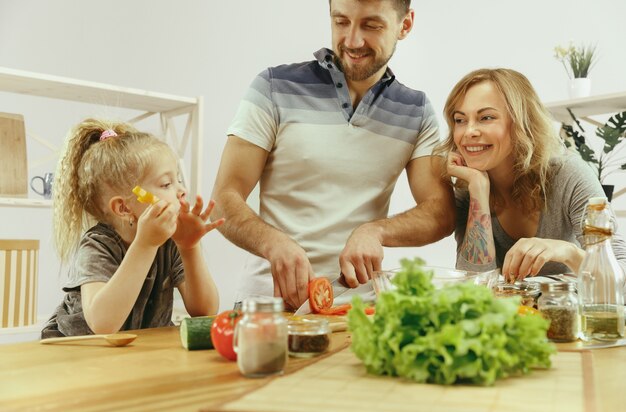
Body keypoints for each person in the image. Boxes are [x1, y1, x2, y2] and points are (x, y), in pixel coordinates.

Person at [211, 0, 455, 310]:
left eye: (371, 25)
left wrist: (376, 231)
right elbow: (223, 198)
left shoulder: (416, 111)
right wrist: (271, 242)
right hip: (266, 306)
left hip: (359, 312)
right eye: (341, 22)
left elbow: (441, 212)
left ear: (404, 25)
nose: (352, 41)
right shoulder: (274, 87)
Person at [41, 119, 224, 338]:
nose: (182, 190)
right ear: (124, 207)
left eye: (178, 180)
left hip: (136, 351)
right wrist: (145, 244)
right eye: (166, 184)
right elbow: (103, 325)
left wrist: (189, 248)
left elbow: (204, 311)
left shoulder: (171, 240)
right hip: (78, 352)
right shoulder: (97, 245)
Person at [439, 68, 626, 281]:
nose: (469, 131)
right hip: (513, 314)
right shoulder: (469, 187)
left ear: (521, 123)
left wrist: (568, 252)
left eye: (486, 117)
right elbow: (473, 284)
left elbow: (620, 272)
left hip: (565, 311)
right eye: (460, 120)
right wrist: (479, 191)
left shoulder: (568, 174)